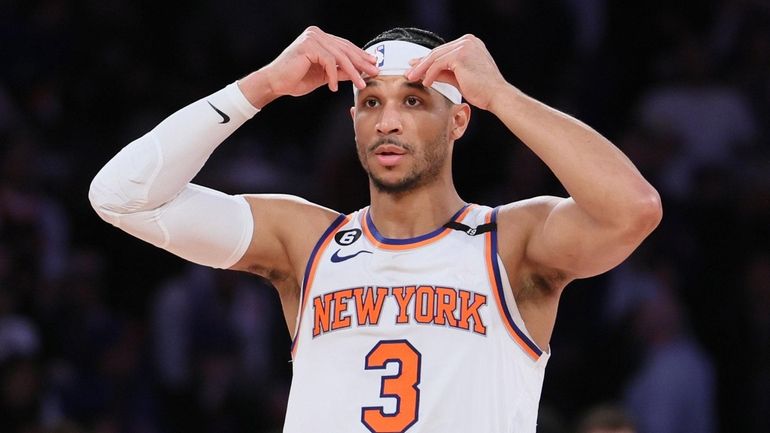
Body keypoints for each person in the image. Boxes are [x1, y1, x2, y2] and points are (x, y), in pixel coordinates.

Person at [88, 26, 662, 433]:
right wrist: (262, 85)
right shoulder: (304, 241)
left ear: (460, 118)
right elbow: (120, 197)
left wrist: (502, 96)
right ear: (353, 117)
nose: (388, 121)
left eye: (414, 101)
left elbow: (632, 210)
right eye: (370, 102)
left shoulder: (511, 243)